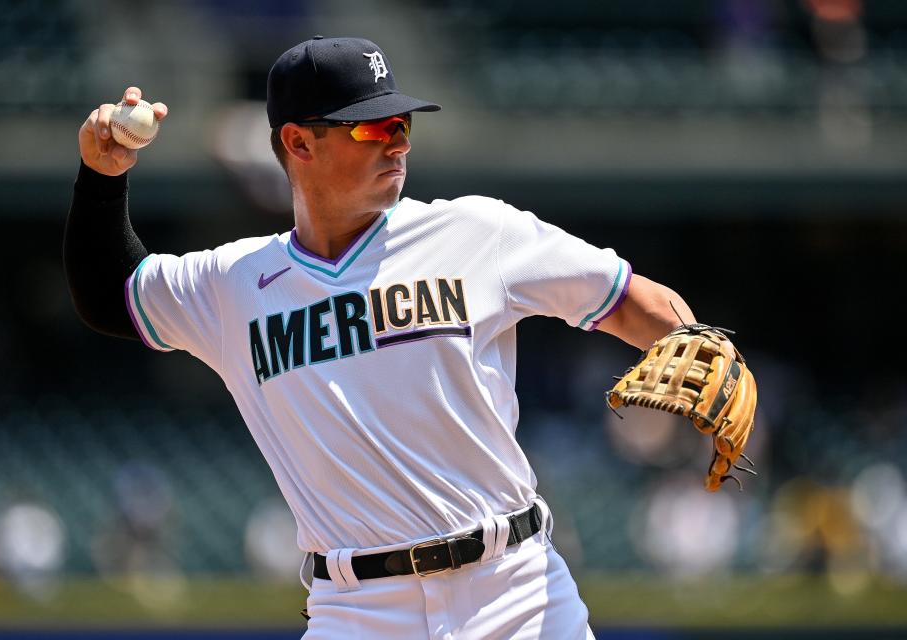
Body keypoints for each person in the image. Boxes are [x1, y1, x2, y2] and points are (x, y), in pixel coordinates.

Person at [65, 36, 697, 639]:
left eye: (403, 125)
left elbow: (629, 299)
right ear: (298, 143)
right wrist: (101, 175)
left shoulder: (476, 233)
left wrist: (694, 339)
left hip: (516, 591)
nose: (397, 142)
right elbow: (107, 294)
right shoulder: (234, 285)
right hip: (359, 608)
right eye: (371, 128)